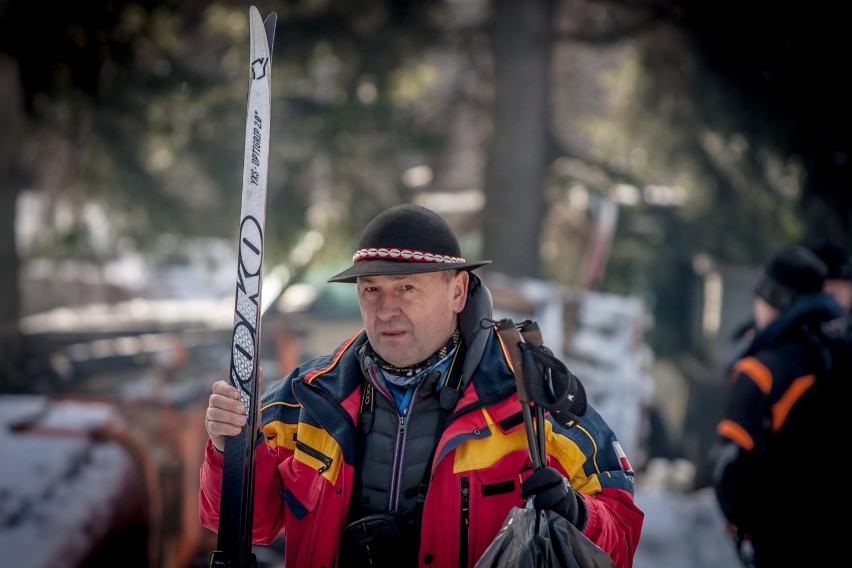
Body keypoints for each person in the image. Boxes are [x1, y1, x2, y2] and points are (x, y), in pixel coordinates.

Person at [199, 204, 644, 567]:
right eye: (370, 289)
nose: (385, 309)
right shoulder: (307, 397)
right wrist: (228, 451)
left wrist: (577, 513)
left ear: (457, 292)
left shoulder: (531, 401)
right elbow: (246, 524)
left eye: (407, 288)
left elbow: (621, 538)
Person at [708, 245, 846, 566]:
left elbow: (729, 463)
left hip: (781, 539)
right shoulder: (838, 353)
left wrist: (742, 520)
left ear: (774, 300)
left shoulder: (761, 370)